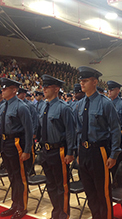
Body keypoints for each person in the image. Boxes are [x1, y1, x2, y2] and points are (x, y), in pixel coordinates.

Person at [75, 66, 121, 218]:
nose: (82, 83)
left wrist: (114, 154)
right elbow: (79, 131)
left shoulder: (105, 103)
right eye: (81, 81)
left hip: (99, 151)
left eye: (85, 80)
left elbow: (115, 130)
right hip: (84, 151)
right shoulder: (80, 105)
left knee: (102, 192)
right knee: (89, 191)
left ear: (95, 82)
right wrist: (78, 152)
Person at [38, 74, 75, 219]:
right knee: (51, 185)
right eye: (44, 86)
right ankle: (56, 211)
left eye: (47, 87)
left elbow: (71, 132)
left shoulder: (63, 108)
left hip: (59, 151)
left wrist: (70, 152)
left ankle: (63, 213)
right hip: (45, 151)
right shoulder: (43, 106)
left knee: (62, 186)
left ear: (56, 89)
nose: (44, 89)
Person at [0, 78, 33, 219]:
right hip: (5, 144)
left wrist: (27, 150)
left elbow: (29, 130)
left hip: (17, 144)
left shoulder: (21, 107)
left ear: (14, 90)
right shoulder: (2, 106)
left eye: (5, 88)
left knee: (21, 177)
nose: (2, 91)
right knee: (12, 176)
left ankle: (22, 206)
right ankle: (15, 204)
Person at [17, 87, 38, 174]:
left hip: (28, 134)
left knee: (29, 152)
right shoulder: (17, 104)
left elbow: (34, 119)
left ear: (24, 94)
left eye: (19, 93)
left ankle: (30, 171)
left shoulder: (29, 105)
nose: (18, 95)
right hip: (20, 135)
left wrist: (34, 132)